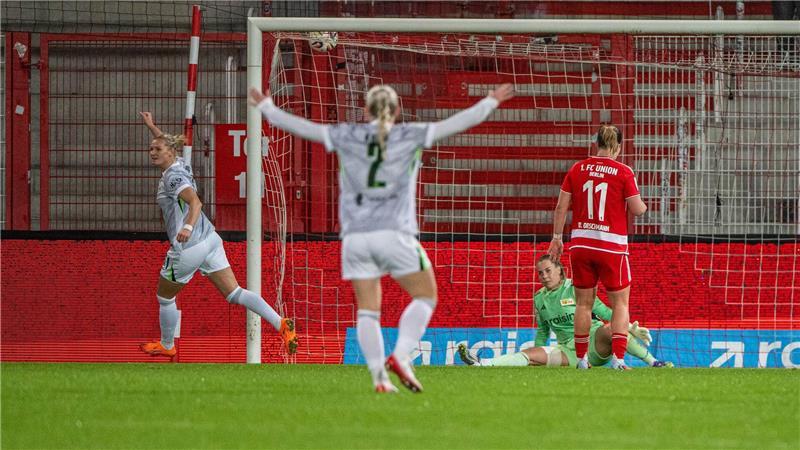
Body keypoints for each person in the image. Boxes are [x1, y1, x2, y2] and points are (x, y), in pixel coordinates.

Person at [249, 83, 515, 392]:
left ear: (365, 111)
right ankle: (401, 356)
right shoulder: (410, 134)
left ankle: (379, 378)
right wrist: (489, 102)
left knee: (367, 309)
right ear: (397, 111)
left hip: (356, 237)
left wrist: (268, 108)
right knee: (426, 295)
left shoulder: (347, 134)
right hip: (394, 232)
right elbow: (456, 123)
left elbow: (305, 128)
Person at [137, 112, 298, 360]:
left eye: (157, 149)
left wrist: (187, 228)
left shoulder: (173, 177)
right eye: (151, 149)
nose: (153, 152)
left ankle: (167, 344)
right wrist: (152, 126)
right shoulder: (179, 164)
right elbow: (164, 142)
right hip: (211, 240)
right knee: (235, 293)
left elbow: (196, 203)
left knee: (165, 297)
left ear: (170, 153)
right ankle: (281, 324)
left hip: (188, 246)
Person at [548, 124, 647, 370]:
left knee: (583, 303)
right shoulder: (624, 172)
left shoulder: (577, 168)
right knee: (620, 304)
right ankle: (619, 359)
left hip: (581, 244)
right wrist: (643, 204)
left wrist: (557, 237)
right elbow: (637, 209)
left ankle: (581, 359)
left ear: (597, 144)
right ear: (619, 147)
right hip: (612, 246)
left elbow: (561, 207)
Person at [457, 255, 672, 368]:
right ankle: (483, 364)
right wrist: (540, 350)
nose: (544, 276)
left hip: (593, 343)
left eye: (548, 271)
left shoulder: (576, 287)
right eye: (540, 273)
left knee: (608, 330)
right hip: (568, 351)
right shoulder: (539, 298)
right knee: (531, 356)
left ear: (560, 271)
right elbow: (542, 330)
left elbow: (605, 311)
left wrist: (628, 328)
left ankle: (653, 362)